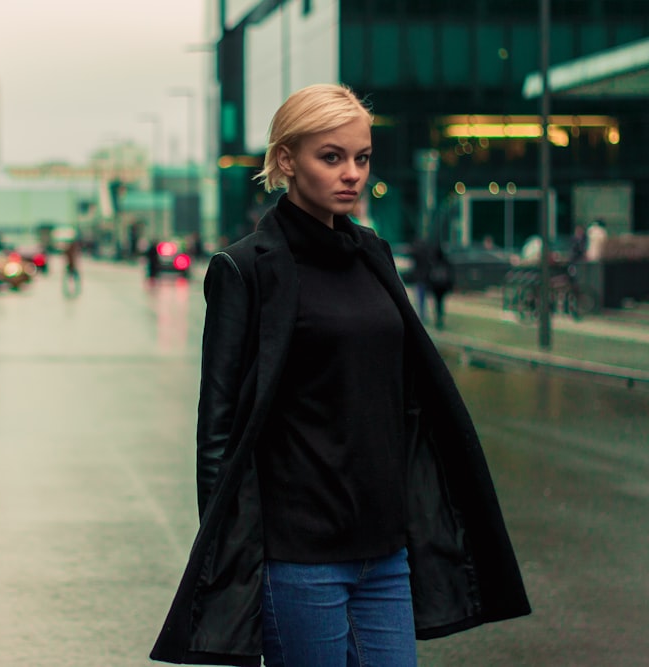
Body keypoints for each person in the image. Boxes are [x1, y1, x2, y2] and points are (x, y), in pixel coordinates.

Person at [151, 83, 530, 667]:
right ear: (286, 161)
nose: (351, 173)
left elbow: (406, 400)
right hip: (298, 559)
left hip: (386, 551)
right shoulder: (244, 270)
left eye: (362, 157)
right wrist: (236, 556)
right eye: (331, 157)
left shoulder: (372, 254)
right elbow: (219, 435)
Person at [426, 241, 454, 329]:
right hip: (443, 285)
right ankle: (440, 318)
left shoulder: (433, 261)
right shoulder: (446, 261)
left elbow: (429, 274)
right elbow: (450, 274)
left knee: (437, 303)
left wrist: (429, 286)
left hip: (436, 285)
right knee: (441, 302)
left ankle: (438, 318)